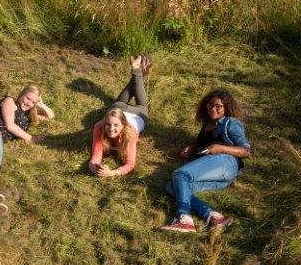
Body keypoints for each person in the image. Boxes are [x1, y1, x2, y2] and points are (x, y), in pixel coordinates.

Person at [161, 88, 251, 233]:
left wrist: (220, 148)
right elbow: (208, 147)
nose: (213, 109)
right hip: (219, 173)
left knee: (180, 174)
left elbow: (246, 151)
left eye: (218, 106)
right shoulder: (207, 124)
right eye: (210, 105)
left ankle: (184, 219)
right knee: (173, 187)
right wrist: (194, 149)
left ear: (226, 107)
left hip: (227, 162)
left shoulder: (230, 123)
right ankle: (214, 217)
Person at [0, 85, 54, 214]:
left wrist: (41, 105)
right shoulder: (10, 101)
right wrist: (30, 138)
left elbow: (51, 117)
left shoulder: (28, 118)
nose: (29, 103)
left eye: (33, 102)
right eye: (28, 98)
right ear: (22, 94)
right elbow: (9, 125)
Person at [88, 55, 152, 177]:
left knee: (143, 104)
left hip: (138, 113)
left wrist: (112, 172)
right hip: (118, 108)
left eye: (116, 125)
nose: (111, 129)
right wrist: (93, 166)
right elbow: (96, 155)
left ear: (124, 125)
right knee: (135, 84)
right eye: (108, 124)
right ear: (104, 121)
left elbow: (130, 163)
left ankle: (137, 71)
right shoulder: (99, 126)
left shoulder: (130, 133)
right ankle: (138, 71)